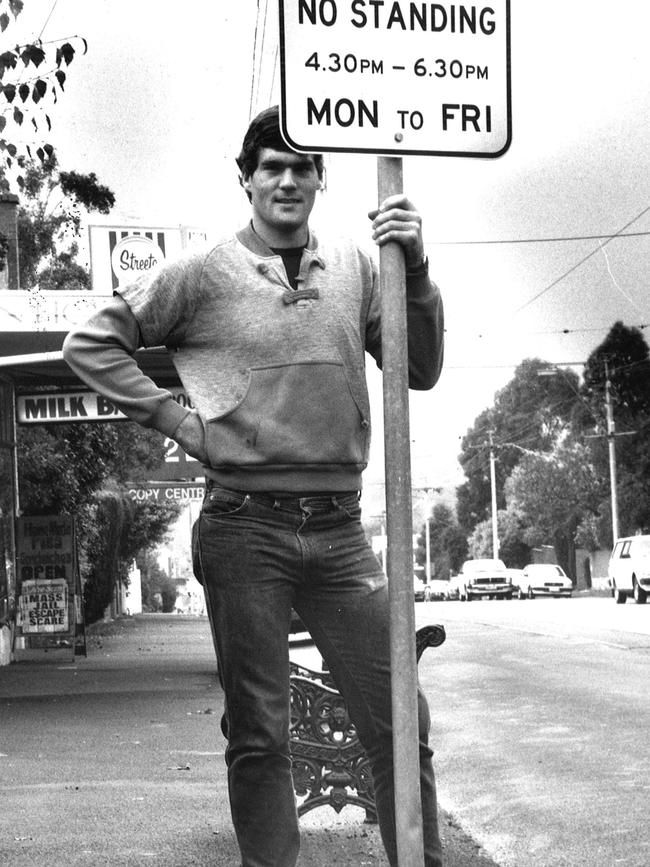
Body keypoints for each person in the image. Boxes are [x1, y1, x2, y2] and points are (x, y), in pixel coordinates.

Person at [62, 105, 445, 867]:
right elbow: (91, 340)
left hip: (338, 527)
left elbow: (421, 367)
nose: (287, 179)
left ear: (320, 181)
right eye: (271, 165)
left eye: (302, 167)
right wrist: (181, 421)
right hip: (244, 527)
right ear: (246, 179)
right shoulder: (203, 272)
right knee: (260, 732)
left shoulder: (360, 266)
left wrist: (421, 269)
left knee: (400, 717)